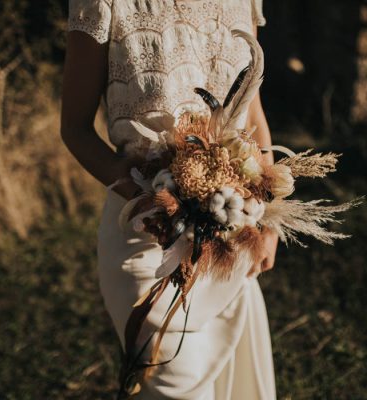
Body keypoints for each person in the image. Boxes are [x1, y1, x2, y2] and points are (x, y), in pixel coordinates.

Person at [60, 1, 278, 398]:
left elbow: (254, 114)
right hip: (148, 246)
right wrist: (153, 199)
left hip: (231, 241)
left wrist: (269, 220)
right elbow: (75, 129)